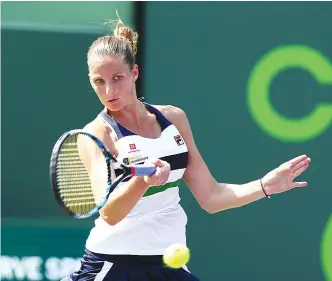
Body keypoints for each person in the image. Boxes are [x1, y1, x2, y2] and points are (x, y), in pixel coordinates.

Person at [64, 16, 311, 281]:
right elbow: (109, 213)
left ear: (134, 73)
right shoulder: (96, 134)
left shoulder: (174, 119)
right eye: (98, 81)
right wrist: (142, 182)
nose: (109, 90)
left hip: (169, 267)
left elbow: (211, 197)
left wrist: (265, 186)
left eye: (117, 78)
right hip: (114, 267)